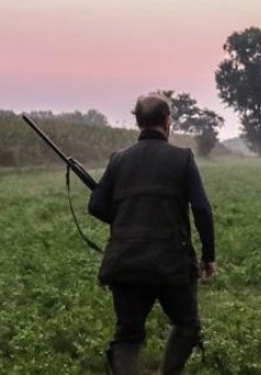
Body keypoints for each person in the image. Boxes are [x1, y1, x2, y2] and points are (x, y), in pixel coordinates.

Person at [88, 93, 216, 375]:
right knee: (186, 324)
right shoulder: (182, 158)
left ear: (138, 122)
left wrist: (126, 222)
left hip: (126, 261)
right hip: (172, 263)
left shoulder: (118, 159)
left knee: (127, 336)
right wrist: (209, 256)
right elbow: (202, 210)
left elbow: (96, 205)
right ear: (167, 121)